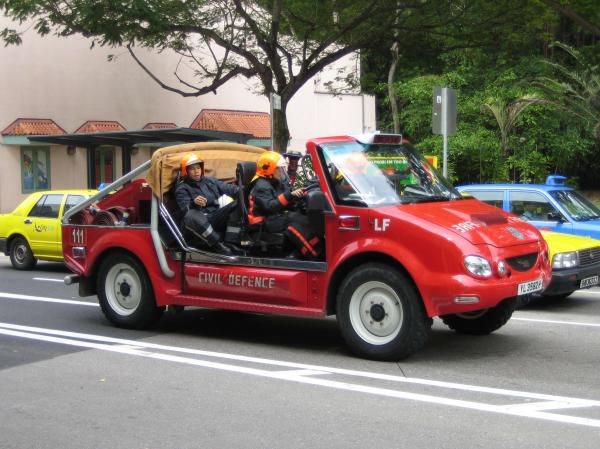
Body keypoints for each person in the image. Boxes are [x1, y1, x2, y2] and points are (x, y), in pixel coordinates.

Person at [248, 151, 322, 260]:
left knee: (302, 217)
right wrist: (289, 196)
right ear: (270, 170)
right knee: (294, 224)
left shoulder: (274, 182)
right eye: (280, 169)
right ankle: (315, 254)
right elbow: (270, 206)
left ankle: (311, 248)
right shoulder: (261, 186)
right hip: (264, 223)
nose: (282, 172)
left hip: (274, 217)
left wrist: (297, 196)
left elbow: (284, 198)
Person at [175, 153, 240, 255]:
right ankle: (217, 245)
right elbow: (184, 210)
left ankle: (231, 242)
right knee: (191, 215)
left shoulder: (210, 181)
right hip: (197, 221)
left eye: (198, 168)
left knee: (237, 204)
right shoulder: (182, 188)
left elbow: (230, 189)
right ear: (186, 171)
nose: (196, 171)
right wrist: (194, 203)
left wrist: (246, 191)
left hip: (214, 216)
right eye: (192, 169)